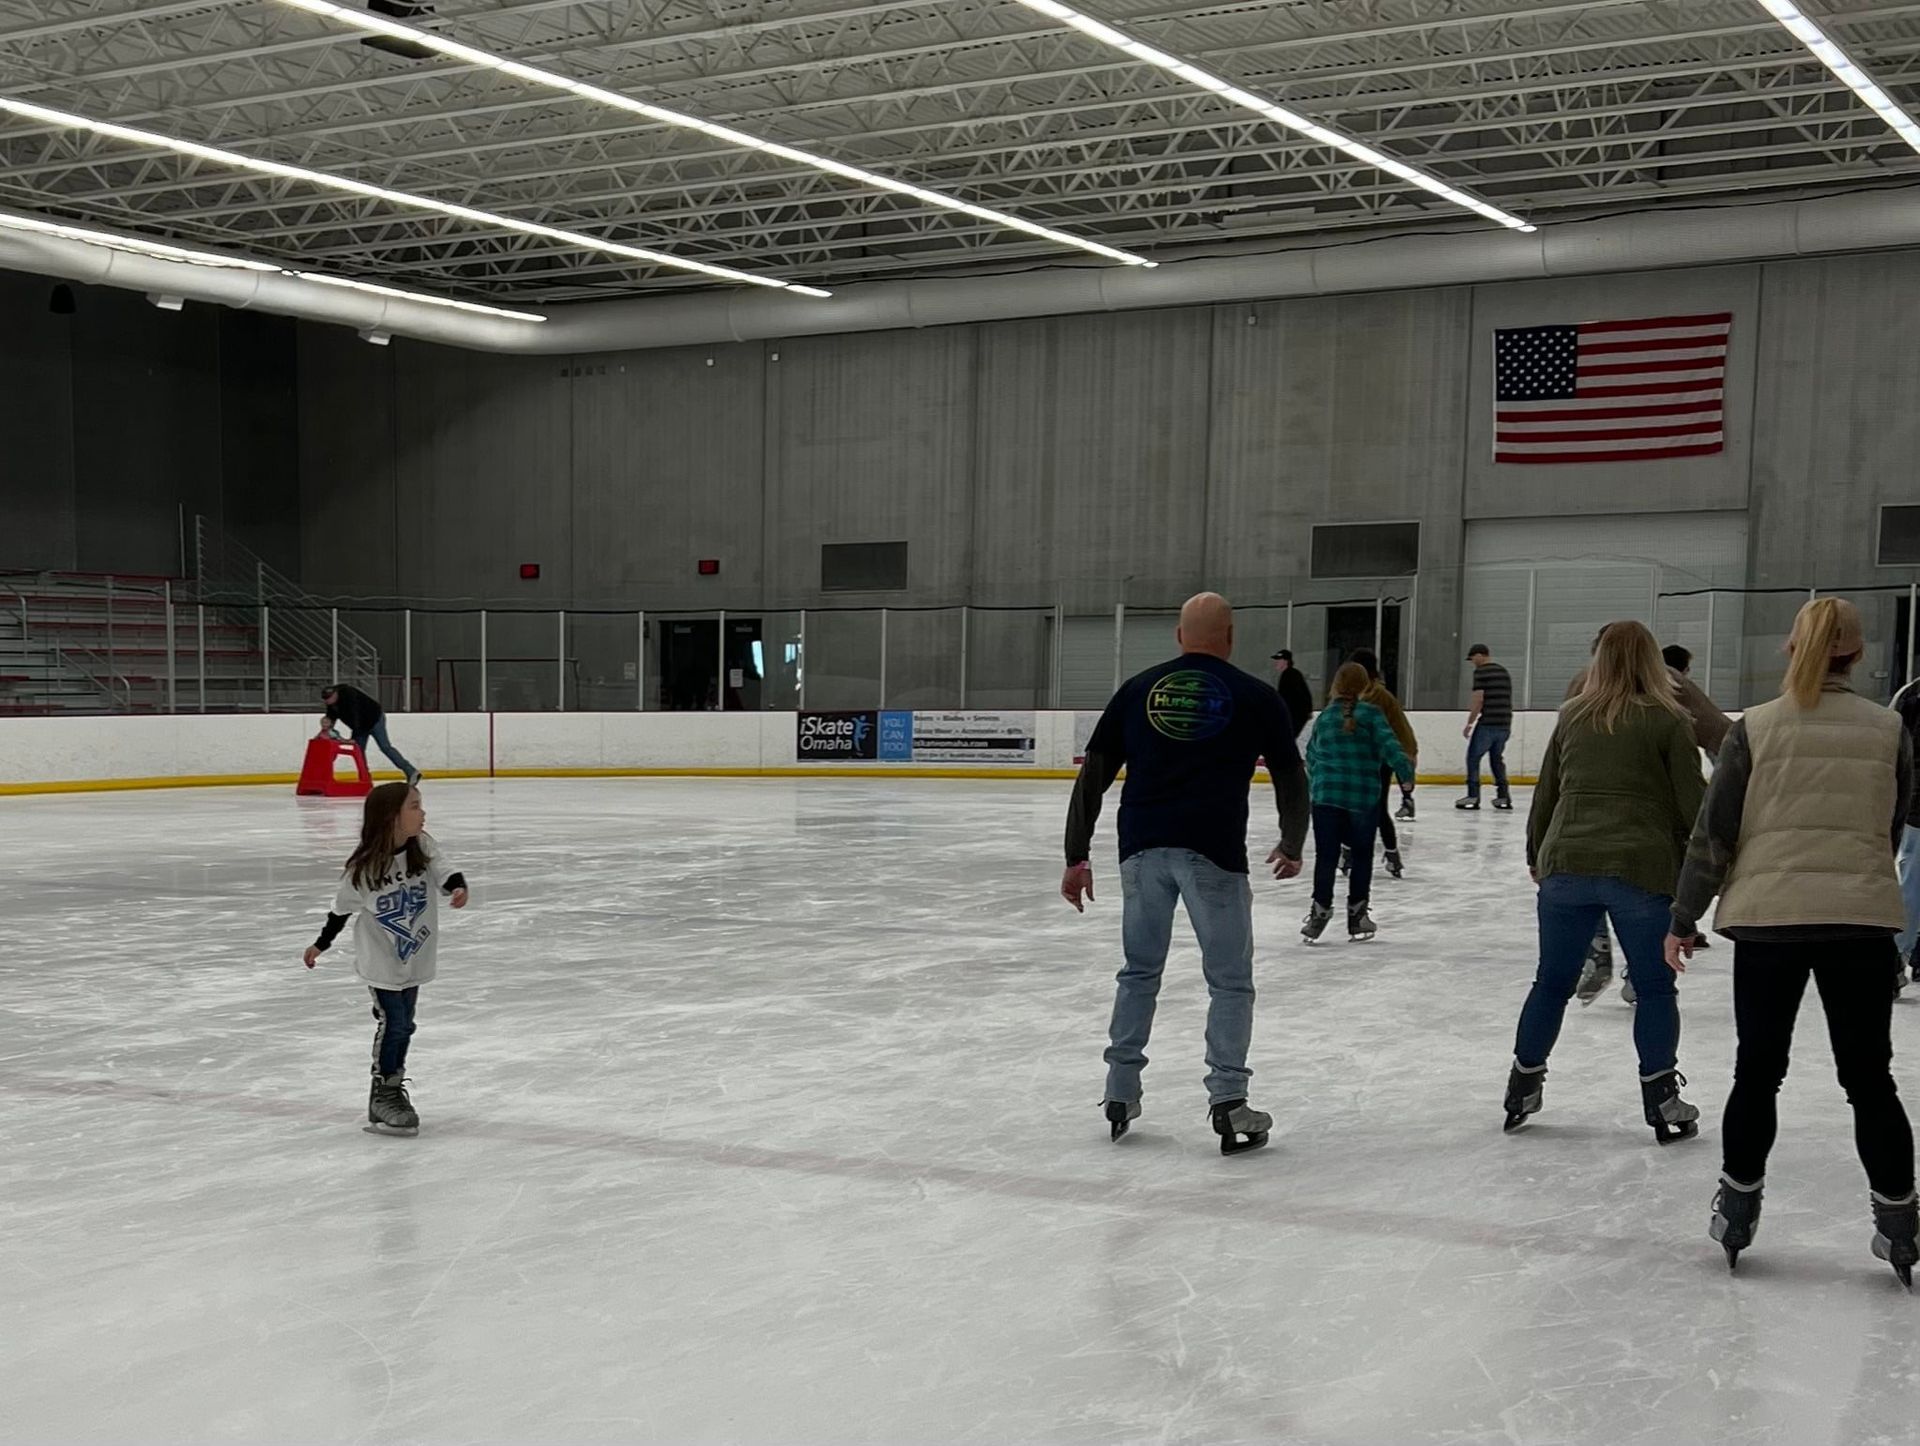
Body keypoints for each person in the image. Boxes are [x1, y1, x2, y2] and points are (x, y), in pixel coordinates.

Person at [1666, 597, 1918, 1282]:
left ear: (1790, 649)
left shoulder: (1756, 727)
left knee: (1758, 1072)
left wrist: (1684, 917)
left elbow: (1715, 832)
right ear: (1857, 655)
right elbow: (1890, 824)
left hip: (1769, 919)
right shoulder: (1889, 727)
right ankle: (1899, 1220)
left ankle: (1737, 1208)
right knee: (1869, 1078)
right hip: (1860, 921)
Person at [1065, 593, 1309, 1155]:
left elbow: (1093, 773)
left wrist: (1077, 856)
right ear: (1230, 637)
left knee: (1138, 973)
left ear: (1179, 635)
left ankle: (1120, 1090)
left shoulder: (1137, 690)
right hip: (1214, 854)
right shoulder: (1257, 696)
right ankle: (1229, 1101)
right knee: (1229, 982)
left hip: (1141, 850)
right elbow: (1292, 776)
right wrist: (1292, 841)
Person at [1502, 621, 1706, 1143]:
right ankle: (1662, 1098)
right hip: (1640, 867)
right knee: (1655, 986)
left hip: (1566, 861)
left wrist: (1536, 854)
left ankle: (1522, 1086)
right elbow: (1694, 805)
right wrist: (1706, 867)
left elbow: (1547, 792)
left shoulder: (1573, 714)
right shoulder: (1668, 718)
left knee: (1551, 982)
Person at [1565, 636, 1733, 1004]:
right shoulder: (1669, 681)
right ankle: (1637, 970)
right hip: (1651, 820)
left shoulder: (1585, 682)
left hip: (1590, 816)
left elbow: (1562, 756)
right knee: (1649, 893)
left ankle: (1601, 950)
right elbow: (1722, 736)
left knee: (1586, 879)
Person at [304, 782, 469, 1134]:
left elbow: (445, 870)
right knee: (394, 1022)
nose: (423, 813)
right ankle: (385, 1092)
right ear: (391, 816)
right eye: (414, 806)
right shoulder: (364, 869)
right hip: (380, 961)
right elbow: (340, 911)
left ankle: (389, 1090)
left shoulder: (422, 846)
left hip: (413, 956)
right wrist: (321, 944)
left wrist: (457, 887)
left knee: (405, 1023)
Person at [1302, 662, 1415, 944]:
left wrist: (1318, 783)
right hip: (1363, 796)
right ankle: (1357, 915)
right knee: (1362, 855)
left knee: (1326, 856)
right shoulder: (1372, 714)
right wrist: (1406, 776)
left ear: (1336, 685)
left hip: (1326, 796)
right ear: (1365, 685)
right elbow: (1391, 747)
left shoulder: (1325, 717)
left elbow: (1311, 756)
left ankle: (1319, 912)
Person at [1346, 647, 1418, 874]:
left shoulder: (1375, 695)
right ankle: (1353, 852)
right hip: (1372, 758)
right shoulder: (1366, 692)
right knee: (1361, 806)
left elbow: (1393, 732)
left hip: (1384, 758)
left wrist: (1407, 766)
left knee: (1374, 808)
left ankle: (1388, 854)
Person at [320, 682, 420, 786]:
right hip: (361, 726)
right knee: (359, 751)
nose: (327, 701)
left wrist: (354, 738)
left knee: (385, 747)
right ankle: (365, 779)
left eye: (329, 698)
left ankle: (411, 771)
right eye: (325, 699)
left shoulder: (349, 695)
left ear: (335, 694)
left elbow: (356, 716)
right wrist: (325, 731)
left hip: (375, 720)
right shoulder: (331, 704)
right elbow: (330, 718)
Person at [1458, 645, 1513, 811]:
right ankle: (1503, 796)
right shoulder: (1503, 671)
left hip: (1488, 722)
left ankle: (1473, 796)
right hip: (1505, 722)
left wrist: (1470, 722)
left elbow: (1478, 699)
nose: (1473, 662)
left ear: (1480, 655)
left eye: (1473, 658)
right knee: (1497, 759)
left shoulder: (1481, 672)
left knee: (1473, 757)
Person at [1892, 674, 1920, 991]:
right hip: (1916, 805)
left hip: (1915, 803)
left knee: (1912, 881)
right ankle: (1900, 955)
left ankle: (1899, 957)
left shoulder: (1911, 694)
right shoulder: (1912, 695)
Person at [1270, 648, 1314, 740]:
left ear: (1286, 661)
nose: (1276, 663)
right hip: (1296, 715)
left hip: (1294, 715)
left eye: (1279, 660)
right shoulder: (1292, 674)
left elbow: (1293, 696)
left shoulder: (1289, 675)